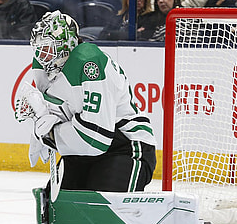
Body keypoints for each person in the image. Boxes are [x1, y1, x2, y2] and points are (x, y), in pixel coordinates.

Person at [16, 11, 157, 192]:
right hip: (84, 148)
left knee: (100, 206)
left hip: (127, 147)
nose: (43, 56)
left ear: (66, 44)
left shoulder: (89, 62)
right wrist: (38, 122)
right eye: (39, 49)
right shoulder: (44, 65)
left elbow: (96, 138)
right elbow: (63, 116)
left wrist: (51, 135)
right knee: (59, 206)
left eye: (48, 49)